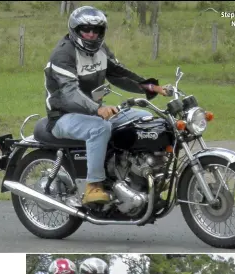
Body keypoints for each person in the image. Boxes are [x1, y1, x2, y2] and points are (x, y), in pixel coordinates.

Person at [44, 6, 169, 205]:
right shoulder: (63, 55)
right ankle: (93, 186)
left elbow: (119, 74)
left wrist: (151, 86)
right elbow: (70, 93)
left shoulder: (101, 51)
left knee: (141, 117)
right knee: (99, 128)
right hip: (63, 116)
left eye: (97, 31)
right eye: (86, 30)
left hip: (94, 113)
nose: (92, 35)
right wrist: (97, 109)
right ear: (75, 30)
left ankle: (132, 174)